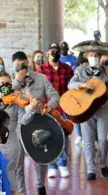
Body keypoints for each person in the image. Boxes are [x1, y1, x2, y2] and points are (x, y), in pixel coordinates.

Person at [0, 74, 39, 195]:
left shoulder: (16, 102)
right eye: (2, 83)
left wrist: (32, 110)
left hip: (10, 142)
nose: (5, 85)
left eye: (8, 83)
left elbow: (24, 121)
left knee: (9, 174)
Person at [12, 51, 60, 195]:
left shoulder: (40, 78)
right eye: (17, 66)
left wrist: (49, 107)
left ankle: (40, 183)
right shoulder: (10, 82)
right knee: (18, 162)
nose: (21, 68)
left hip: (37, 122)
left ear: (28, 63)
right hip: (19, 124)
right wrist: (17, 82)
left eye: (23, 65)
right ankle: (22, 194)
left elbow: (55, 96)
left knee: (39, 156)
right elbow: (3, 98)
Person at [68, 41, 108, 180]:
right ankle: (90, 169)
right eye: (90, 54)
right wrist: (81, 84)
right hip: (86, 109)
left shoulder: (107, 69)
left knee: (104, 139)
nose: (93, 56)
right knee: (88, 141)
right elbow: (71, 84)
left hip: (102, 108)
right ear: (86, 55)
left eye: (96, 54)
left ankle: (103, 163)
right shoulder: (80, 70)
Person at [37, 44, 74, 178]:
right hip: (48, 107)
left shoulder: (67, 69)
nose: (54, 54)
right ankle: (52, 165)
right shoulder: (41, 70)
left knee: (64, 135)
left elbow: (73, 87)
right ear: (47, 54)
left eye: (56, 52)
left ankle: (63, 164)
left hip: (64, 107)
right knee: (49, 136)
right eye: (52, 52)